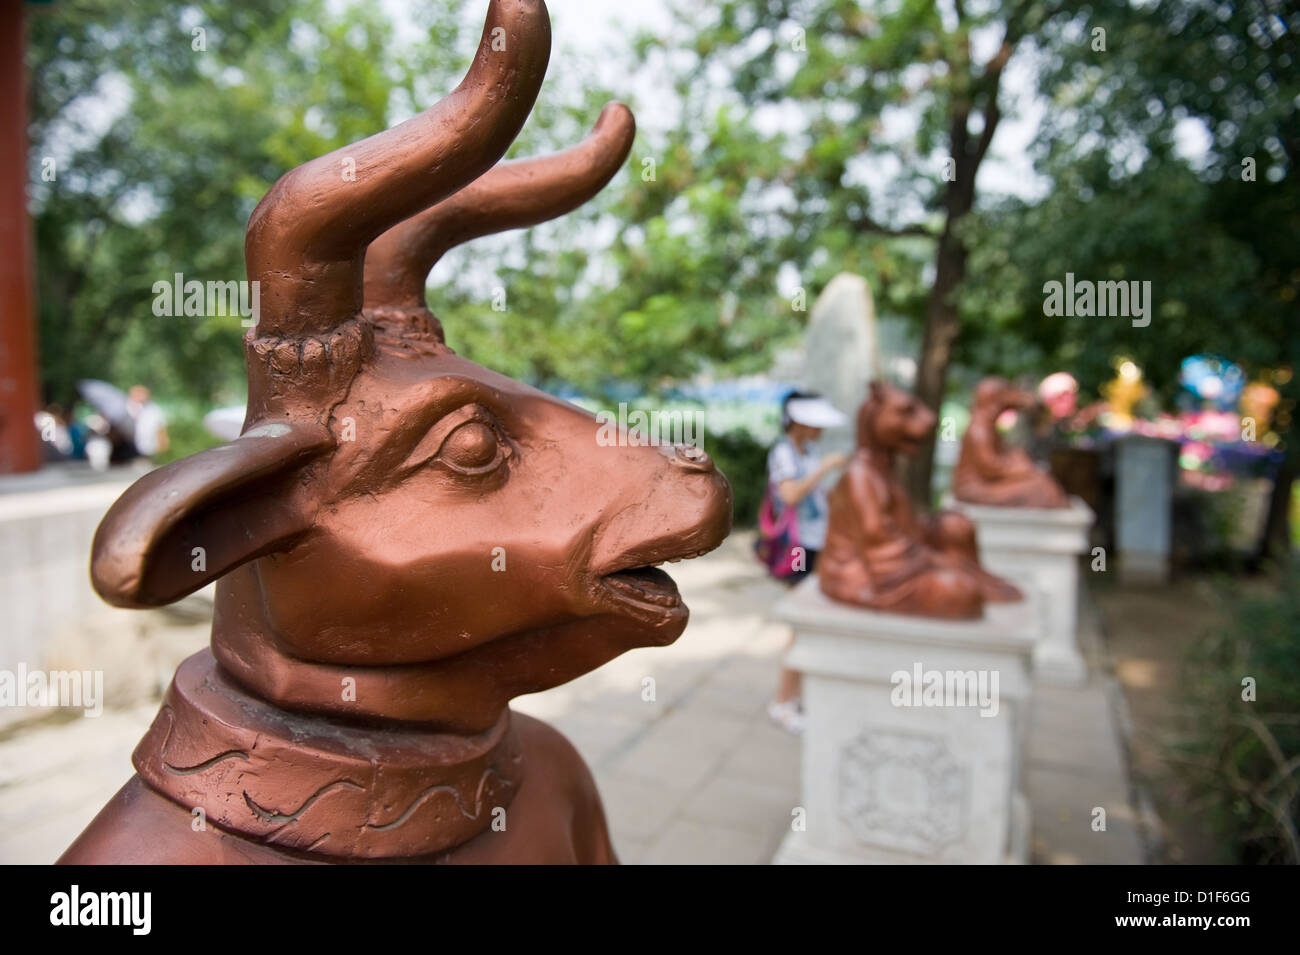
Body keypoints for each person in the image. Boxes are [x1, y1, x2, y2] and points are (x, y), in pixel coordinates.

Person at [766, 390, 848, 733]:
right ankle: (784, 701)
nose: (819, 431)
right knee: (800, 625)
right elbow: (790, 495)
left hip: (817, 542)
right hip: (797, 548)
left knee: (809, 623)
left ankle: (795, 696)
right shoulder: (783, 453)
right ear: (799, 422)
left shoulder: (809, 451)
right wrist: (824, 469)